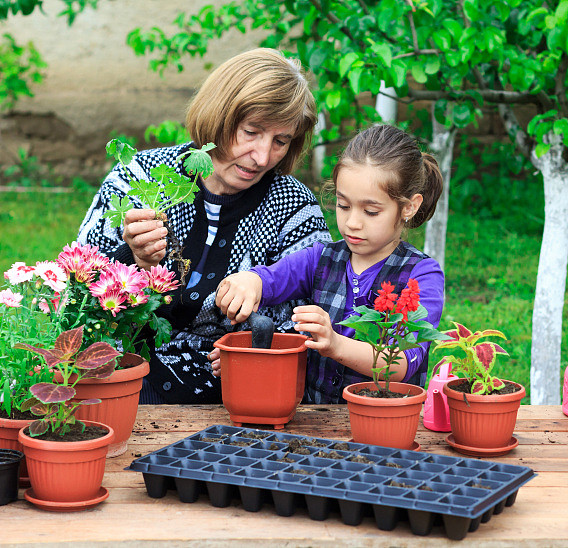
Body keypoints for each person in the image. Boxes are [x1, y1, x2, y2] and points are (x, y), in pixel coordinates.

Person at [76, 48, 331, 404]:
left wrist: (253, 349)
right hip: (120, 380)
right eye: (251, 132)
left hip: (228, 398)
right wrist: (131, 257)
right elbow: (75, 296)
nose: (262, 157)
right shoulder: (138, 179)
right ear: (219, 116)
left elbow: (314, 318)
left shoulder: (293, 206)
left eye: (280, 141)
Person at [213, 124, 445, 404]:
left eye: (371, 211)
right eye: (343, 205)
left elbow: (402, 363)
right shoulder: (319, 259)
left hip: (385, 421)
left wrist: (335, 344)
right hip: (316, 421)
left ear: (409, 207)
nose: (352, 223)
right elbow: (269, 279)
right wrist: (248, 281)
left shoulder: (421, 275)